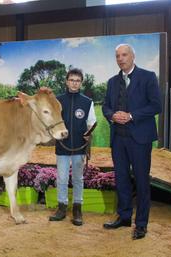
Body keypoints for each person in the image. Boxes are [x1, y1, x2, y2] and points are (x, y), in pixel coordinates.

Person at [102, 44, 162, 239]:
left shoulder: (148, 76)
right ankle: (125, 216)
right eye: (117, 56)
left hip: (140, 139)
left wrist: (131, 115)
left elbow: (156, 105)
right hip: (118, 139)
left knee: (142, 181)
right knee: (121, 180)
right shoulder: (112, 81)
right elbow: (105, 106)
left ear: (133, 56)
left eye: (124, 55)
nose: (120, 58)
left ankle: (141, 224)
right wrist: (113, 116)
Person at [49, 68, 97, 226]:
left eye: (77, 80)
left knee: (78, 179)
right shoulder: (58, 100)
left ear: (81, 83)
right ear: (66, 81)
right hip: (62, 146)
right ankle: (61, 207)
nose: (74, 83)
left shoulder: (87, 102)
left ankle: (77, 209)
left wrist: (88, 136)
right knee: (62, 178)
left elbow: (91, 123)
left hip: (79, 147)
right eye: (72, 80)